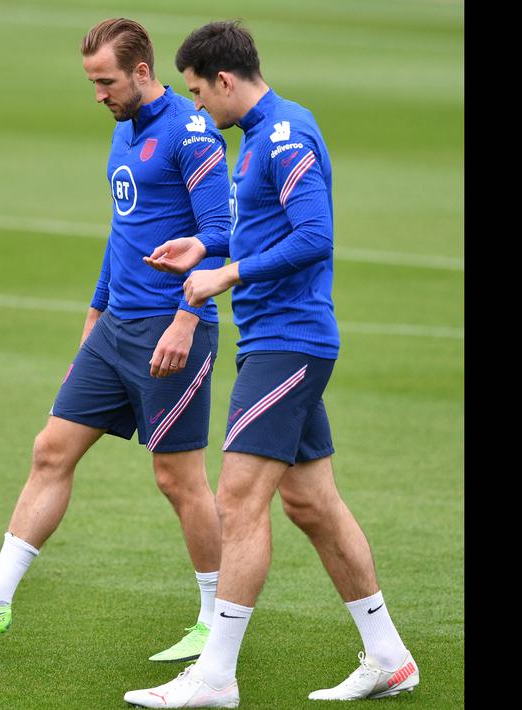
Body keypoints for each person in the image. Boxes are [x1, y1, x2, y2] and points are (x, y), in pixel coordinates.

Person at [0, 18, 235, 664]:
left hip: (170, 329)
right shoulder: (123, 128)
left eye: (106, 82)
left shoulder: (192, 133)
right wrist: (95, 310)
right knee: (50, 450)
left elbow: (222, 232)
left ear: (141, 71)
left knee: (177, 479)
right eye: (92, 82)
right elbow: (123, 229)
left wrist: (185, 318)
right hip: (115, 328)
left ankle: (215, 621)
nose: (98, 95)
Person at [123, 21, 419, 707]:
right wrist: (204, 248)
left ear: (224, 80)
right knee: (311, 503)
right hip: (273, 338)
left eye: (199, 93)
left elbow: (315, 237)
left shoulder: (284, 136)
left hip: (289, 340)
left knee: (236, 499)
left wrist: (227, 276)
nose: (198, 108)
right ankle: (389, 658)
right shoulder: (260, 137)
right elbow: (263, 228)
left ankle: (215, 676)